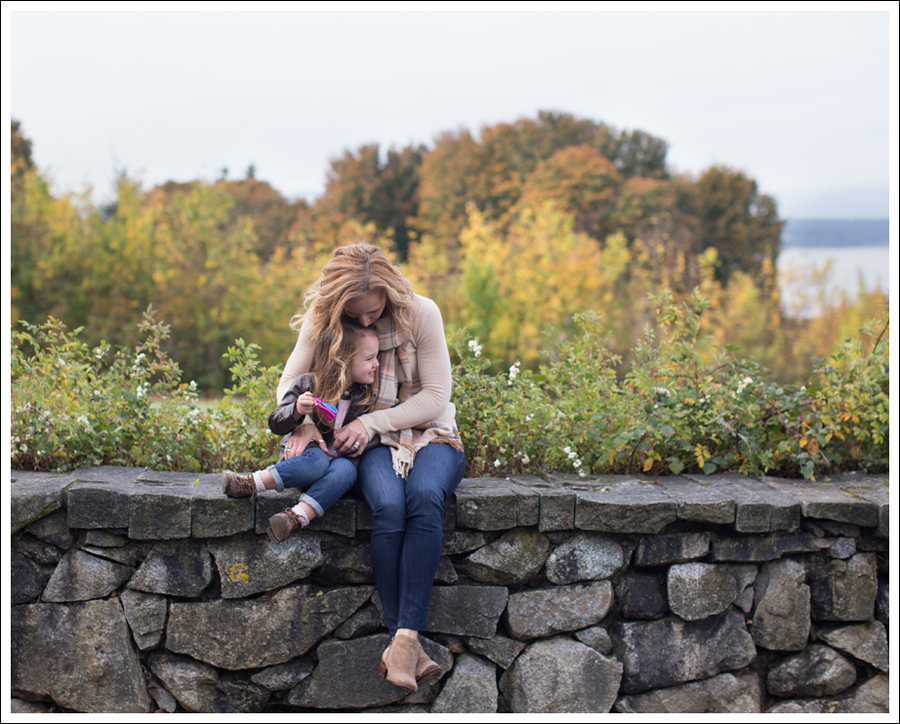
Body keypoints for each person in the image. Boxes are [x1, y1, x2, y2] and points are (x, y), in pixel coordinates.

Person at [278, 243, 466, 694]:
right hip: (375, 445)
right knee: (387, 505)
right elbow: (288, 384)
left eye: (373, 311)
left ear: (390, 293)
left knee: (424, 498)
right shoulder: (325, 321)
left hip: (431, 433)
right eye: (355, 314)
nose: (364, 322)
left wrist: (369, 421)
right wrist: (304, 423)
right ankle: (406, 646)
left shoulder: (422, 313)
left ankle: (402, 639)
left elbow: (436, 396)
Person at [222, 321, 380, 544]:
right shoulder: (307, 384)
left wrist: (360, 445)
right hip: (303, 463)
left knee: (347, 469)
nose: (377, 364)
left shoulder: (365, 398)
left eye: (376, 357)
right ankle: (251, 483)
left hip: (333, 476)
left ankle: (296, 517)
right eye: (369, 358)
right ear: (343, 361)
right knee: (317, 461)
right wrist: (296, 410)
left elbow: (369, 442)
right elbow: (276, 423)